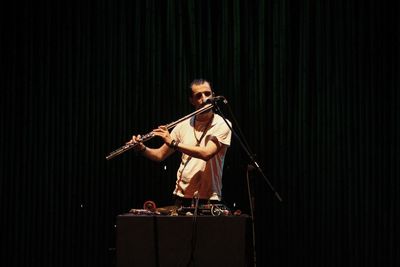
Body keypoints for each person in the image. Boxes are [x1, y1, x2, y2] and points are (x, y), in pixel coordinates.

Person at [127, 79, 232, 207]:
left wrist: (174, 143)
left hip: (209, 199)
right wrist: (142, 148)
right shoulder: (183, 125)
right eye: (198, 96)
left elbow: (206, 153)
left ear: (213, 96)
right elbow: (160, 155)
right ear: (191, 100)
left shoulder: (222, 124)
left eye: (207, 94)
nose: (204, 99)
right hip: (181, 197)